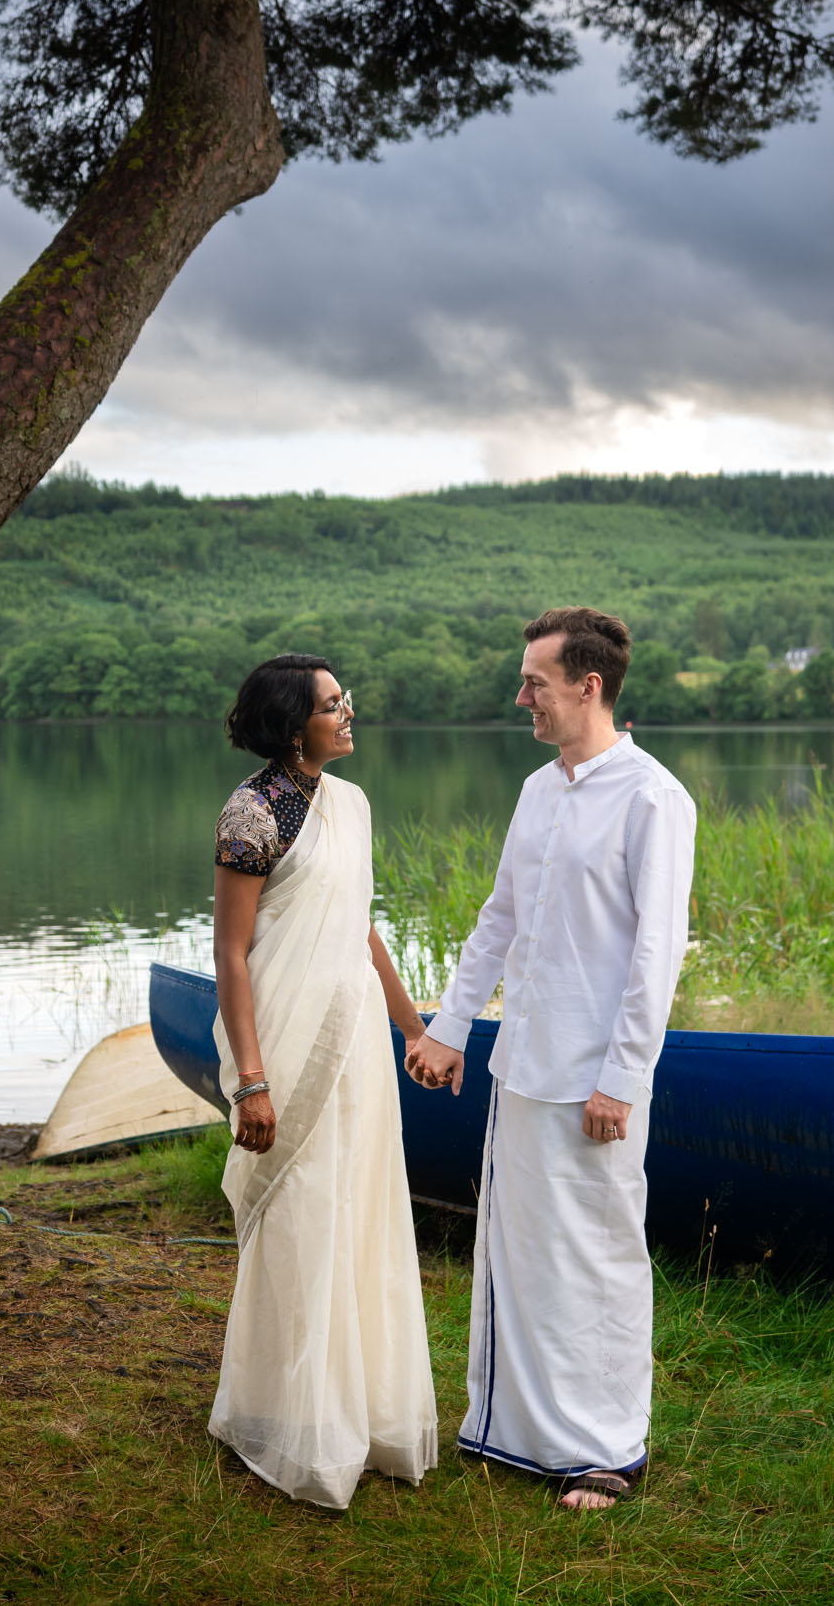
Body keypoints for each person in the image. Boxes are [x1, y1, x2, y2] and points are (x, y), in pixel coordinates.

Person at [403, 607, 696, 1512]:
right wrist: (450, 1026)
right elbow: (501, 915)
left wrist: (623, 1078)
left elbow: (658, 953)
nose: (520, 695)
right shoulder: (538, 789)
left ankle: (609, 1450)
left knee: (599, 1255)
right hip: (520, 1065)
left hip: (595, 1078)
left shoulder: (654, 797)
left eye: (534, 680)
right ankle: (518, 1432)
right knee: (517, 1251)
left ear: (588, 686)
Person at [207, 654, 440, 1509]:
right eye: (333, 704)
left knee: (359, 1210)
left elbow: (359, 928)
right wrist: (252, 1082)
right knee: (300, 1217)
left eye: (344, 700)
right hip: (283, 1046)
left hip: (357, 1049)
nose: (350, 713)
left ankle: (359, 1411)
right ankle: (284, 1412)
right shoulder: (251, 812)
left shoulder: (354, 804)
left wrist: (413, 1025)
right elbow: (232, 954)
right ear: (290, 723)